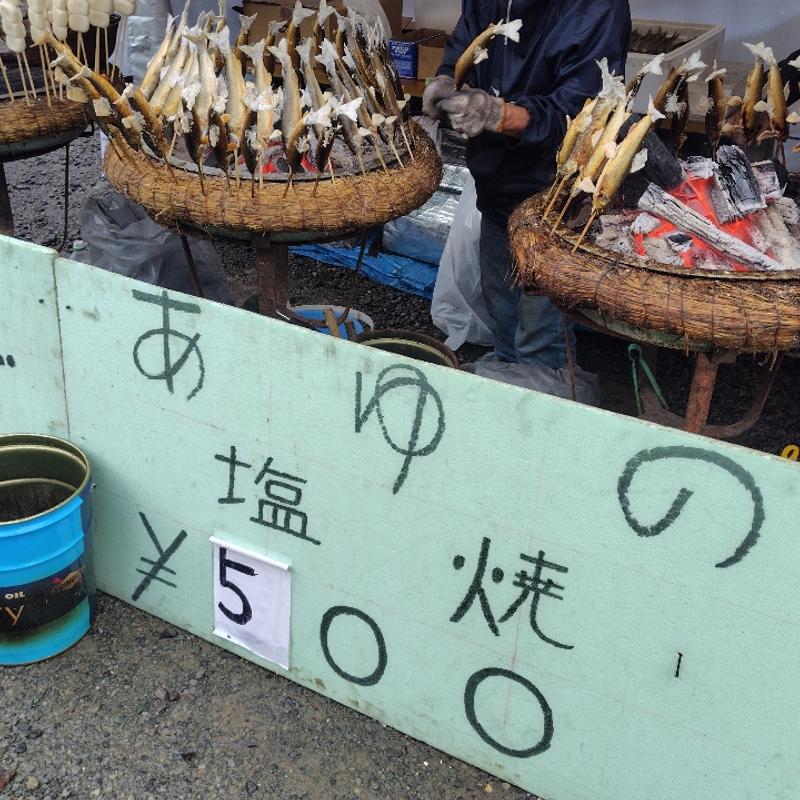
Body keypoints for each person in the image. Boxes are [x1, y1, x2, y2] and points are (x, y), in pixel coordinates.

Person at [424, 0, 631, 375]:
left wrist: (499, 115)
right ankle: (508, 377)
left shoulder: (598, 9)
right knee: (502, 310)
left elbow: (581, 114)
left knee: (539, 333)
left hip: (552, 196)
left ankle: (543, 396)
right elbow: (465, 45)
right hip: (495, 183)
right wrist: (446, 81)